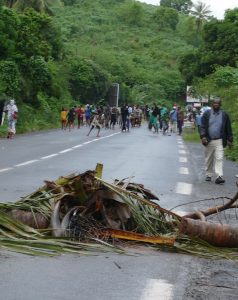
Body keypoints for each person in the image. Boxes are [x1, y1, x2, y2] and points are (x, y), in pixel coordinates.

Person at [200, 97, 233, 184]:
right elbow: (202, 126)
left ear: (220, 104)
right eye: (214, 103)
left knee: (219, 158)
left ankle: (219, 176)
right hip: (209, 139)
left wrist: (230, 139)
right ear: (212, 104)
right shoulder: (207, 114)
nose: (216, 105)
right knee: (209, 158)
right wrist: (203, 136)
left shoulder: (224, 115)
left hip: (220, 140)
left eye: (218, 103)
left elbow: (228, 128)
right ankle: (208, 174)